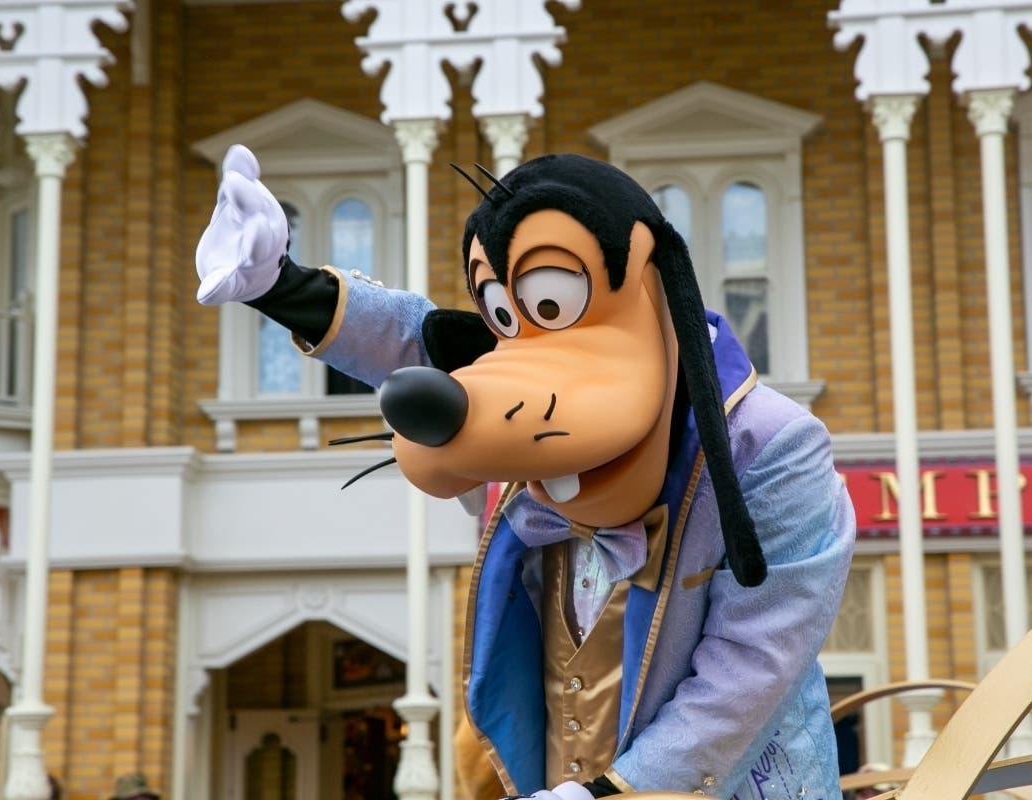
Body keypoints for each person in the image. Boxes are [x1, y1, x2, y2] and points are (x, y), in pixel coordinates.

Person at [195, 145, 856, 800]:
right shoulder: (525, 413)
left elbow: (755, 660)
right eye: (506, 313)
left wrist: (614, 792)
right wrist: (282, 285)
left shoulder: (770, 444)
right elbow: (421, 339)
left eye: (548, 301)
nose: (513, 347)